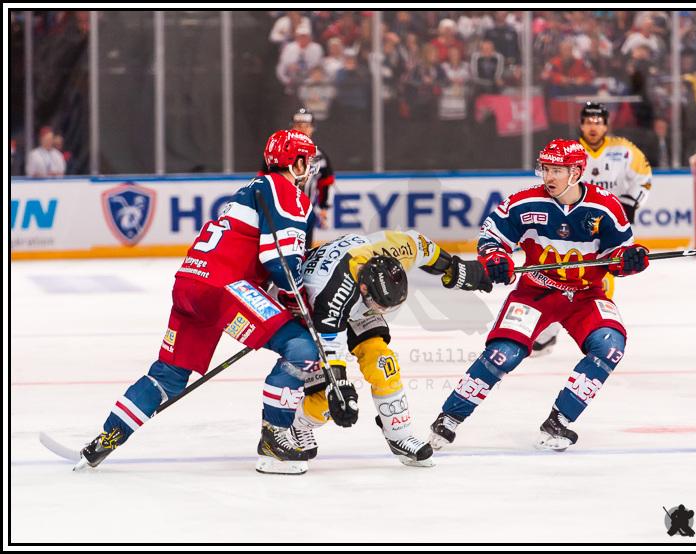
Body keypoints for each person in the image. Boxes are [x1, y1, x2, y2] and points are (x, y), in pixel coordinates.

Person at [76, 130, 358, 476]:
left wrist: (284, 299)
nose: (310, 167)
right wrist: (302, 306)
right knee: (301, 348)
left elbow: (263, 260)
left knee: (168, 376)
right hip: (222, 289)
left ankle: (108, 436)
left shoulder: (252, 189)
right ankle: (273, 442)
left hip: (189, 285)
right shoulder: (288, 192)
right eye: (307, 160)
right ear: (296, 161)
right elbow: (280, 263)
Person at [429, 138, 649, 452]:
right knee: (503, 354)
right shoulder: (524, 202)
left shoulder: (606, 206)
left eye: (557, 169)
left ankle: (559, 420)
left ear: (576, 171)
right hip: (535, 291)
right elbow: (492, 237)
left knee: (610, 347)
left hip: (586, 296)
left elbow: (619, 256)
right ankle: (449, 417)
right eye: (545, 168)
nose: (548, 176)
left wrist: (631, 260)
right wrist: (495, 257)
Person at [288, 230, 492, 468]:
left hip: (352, 304)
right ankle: (298, 424)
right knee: (326, 397)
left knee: (384, 363)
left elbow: (420, 244)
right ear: (364, 289)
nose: (381, 313)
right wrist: (338, 383)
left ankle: (399, 435)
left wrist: (454, 267)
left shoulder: (394, 250)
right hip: (309, 312)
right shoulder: (331, 292)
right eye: (379, 306)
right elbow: (331, 343)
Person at [531, 102, 652, 354]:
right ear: (581, 124)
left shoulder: (625, 150)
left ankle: (596, 330)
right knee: (560, 279)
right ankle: (548, 331)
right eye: (588, 121)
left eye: (598, 122)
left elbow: (644, 177)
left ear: (606, 124)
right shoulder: (570, 153)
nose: (593, 126)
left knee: (598, 281)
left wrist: (629, 206)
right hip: (572, 229)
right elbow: (547, 181)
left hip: (607, 228)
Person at [260, 108, 335, 249]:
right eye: (298, 125)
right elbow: (264, 178)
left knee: (304, 249)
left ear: (312, 128)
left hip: (306, 210)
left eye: (306, 126)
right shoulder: (278, 149)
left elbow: (326, 182)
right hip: (278, 208)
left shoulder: (319, 156)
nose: (302, 129)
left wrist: (324, 207)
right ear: (292, 126)